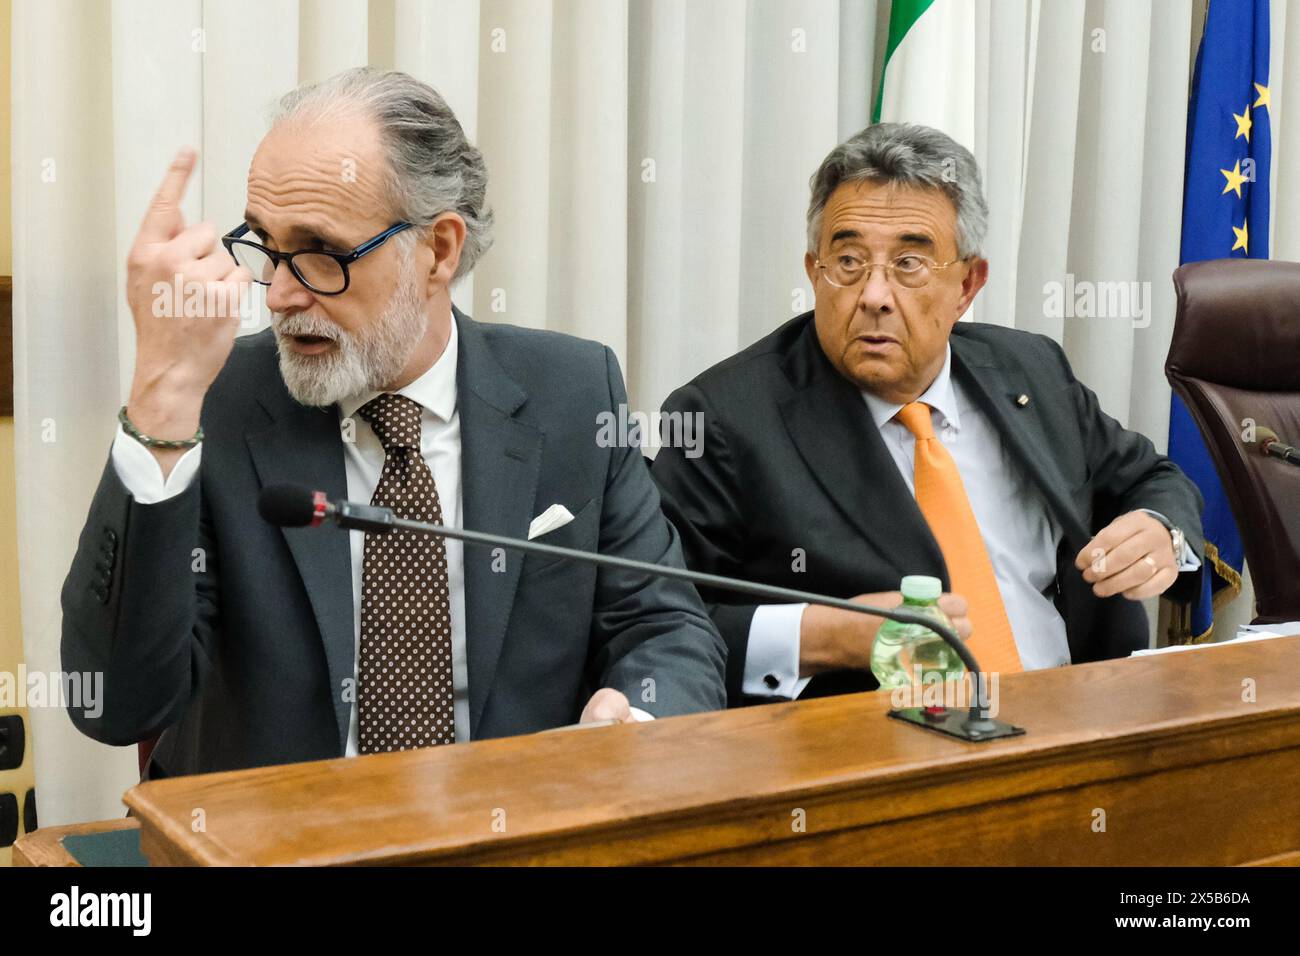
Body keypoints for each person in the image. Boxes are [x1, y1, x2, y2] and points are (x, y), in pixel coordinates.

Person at [61, 68, 725, 778]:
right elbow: (118, 706)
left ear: (438, 250)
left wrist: (637, 719)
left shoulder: (572, 393)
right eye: (265, 246)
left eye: (319, 252)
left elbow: (663, 624)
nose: (280, 295)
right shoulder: (212, 404)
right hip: (275, 845)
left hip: (509, 834)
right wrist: (161, 397)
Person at [651, 122, 1203, 705]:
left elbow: (1151, 478)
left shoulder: (1029, 370)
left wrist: (1161, 531)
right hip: (884, 759)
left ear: (967, 284)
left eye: (910, 264)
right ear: (815, 272)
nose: (874, 295)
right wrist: (822, 636)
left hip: (1084, 713)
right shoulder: (724, 419)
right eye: (848, 261)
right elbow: (657, 621)